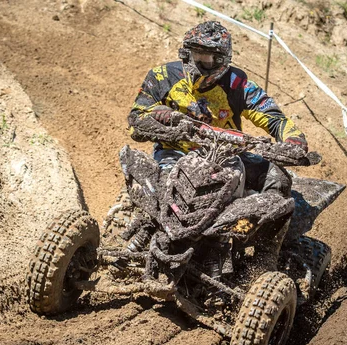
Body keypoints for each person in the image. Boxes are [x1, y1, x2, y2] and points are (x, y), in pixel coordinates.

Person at [127, 20, 308, 268]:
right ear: (185, 53)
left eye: (208, 58)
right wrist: (165, 118)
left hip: (226, 155)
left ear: (223, 60)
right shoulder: (163, 76)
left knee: (280, 179)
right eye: (196, 55)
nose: (201, 64)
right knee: (160, 193)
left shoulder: (238, 84)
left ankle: (264, 259)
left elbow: (273, 116)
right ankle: (145, 229)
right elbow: (136, 116)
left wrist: (293, 141)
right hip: (175, 151)